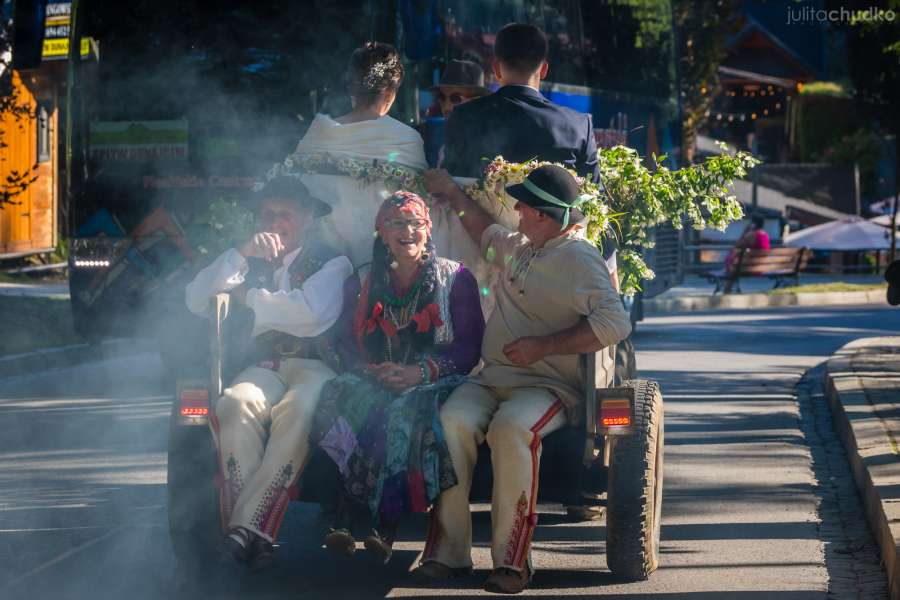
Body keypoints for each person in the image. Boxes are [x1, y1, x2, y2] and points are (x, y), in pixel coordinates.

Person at [419, 165, 631, 593]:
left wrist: (545, 346)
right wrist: (450, 191)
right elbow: (482, 230)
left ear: (548, 215)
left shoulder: (579, 258)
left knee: (511, 429)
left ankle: (513, 562)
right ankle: (448, 554)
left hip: (548, 386)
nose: (515, 208)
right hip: (492, 378)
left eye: (525, 204)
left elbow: (615, 323)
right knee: (449, 423)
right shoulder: (520, 245)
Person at [184, 176, 353, 570]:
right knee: (234, 403)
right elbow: (195, 298)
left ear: (308, 219)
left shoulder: (333, 260)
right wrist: (241, 254)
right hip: (264, 365)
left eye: (285, 215)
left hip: (316, 365)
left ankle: (243, 527)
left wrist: (247, 296)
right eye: (268, 214)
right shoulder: (245, 257)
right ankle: (253, 531)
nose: (276, 222)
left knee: (298, 411)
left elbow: (310, 314)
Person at [309, 191, 485, 565]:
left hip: (434, 383)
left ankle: (383, 525)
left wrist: (419, 372)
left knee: (400, 414)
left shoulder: (456, 278)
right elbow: (339, 340)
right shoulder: (362, 280)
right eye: (397, 223)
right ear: (381, 232)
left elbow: (469, 348)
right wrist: (369, 370)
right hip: (375, 377)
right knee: (337, 400)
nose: (408, 231)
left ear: (428, 228)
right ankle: (340, 515)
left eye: (415, 223)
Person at [291, 42, 428, 267]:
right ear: (390, 91)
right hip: (381, 264)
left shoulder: (319, 132)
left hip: (319, 260)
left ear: (351, 89)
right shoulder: (406, 138)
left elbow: (295, 192)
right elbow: (419, 205)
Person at [441, 23, 599, 181]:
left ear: (496, 69)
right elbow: (595, 199)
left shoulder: (464, 116)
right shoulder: (578, 126)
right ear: (544, 70)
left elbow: (449, 185)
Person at [426, 59, 491, 168]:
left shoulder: (488, 140)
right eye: (441, 97)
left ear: (476, 100)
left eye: (455, 98)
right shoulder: (446, 141)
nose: (446, 107)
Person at [723, 215, 771, 293]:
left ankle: (727, 290)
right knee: (734, 262)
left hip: (748, 267)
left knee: (732, 263)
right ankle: (730, 289)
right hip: (761, 266)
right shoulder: (765, 235)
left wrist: (745, 231)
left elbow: (737, 245)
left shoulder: (752, 235)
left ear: (753, 224)